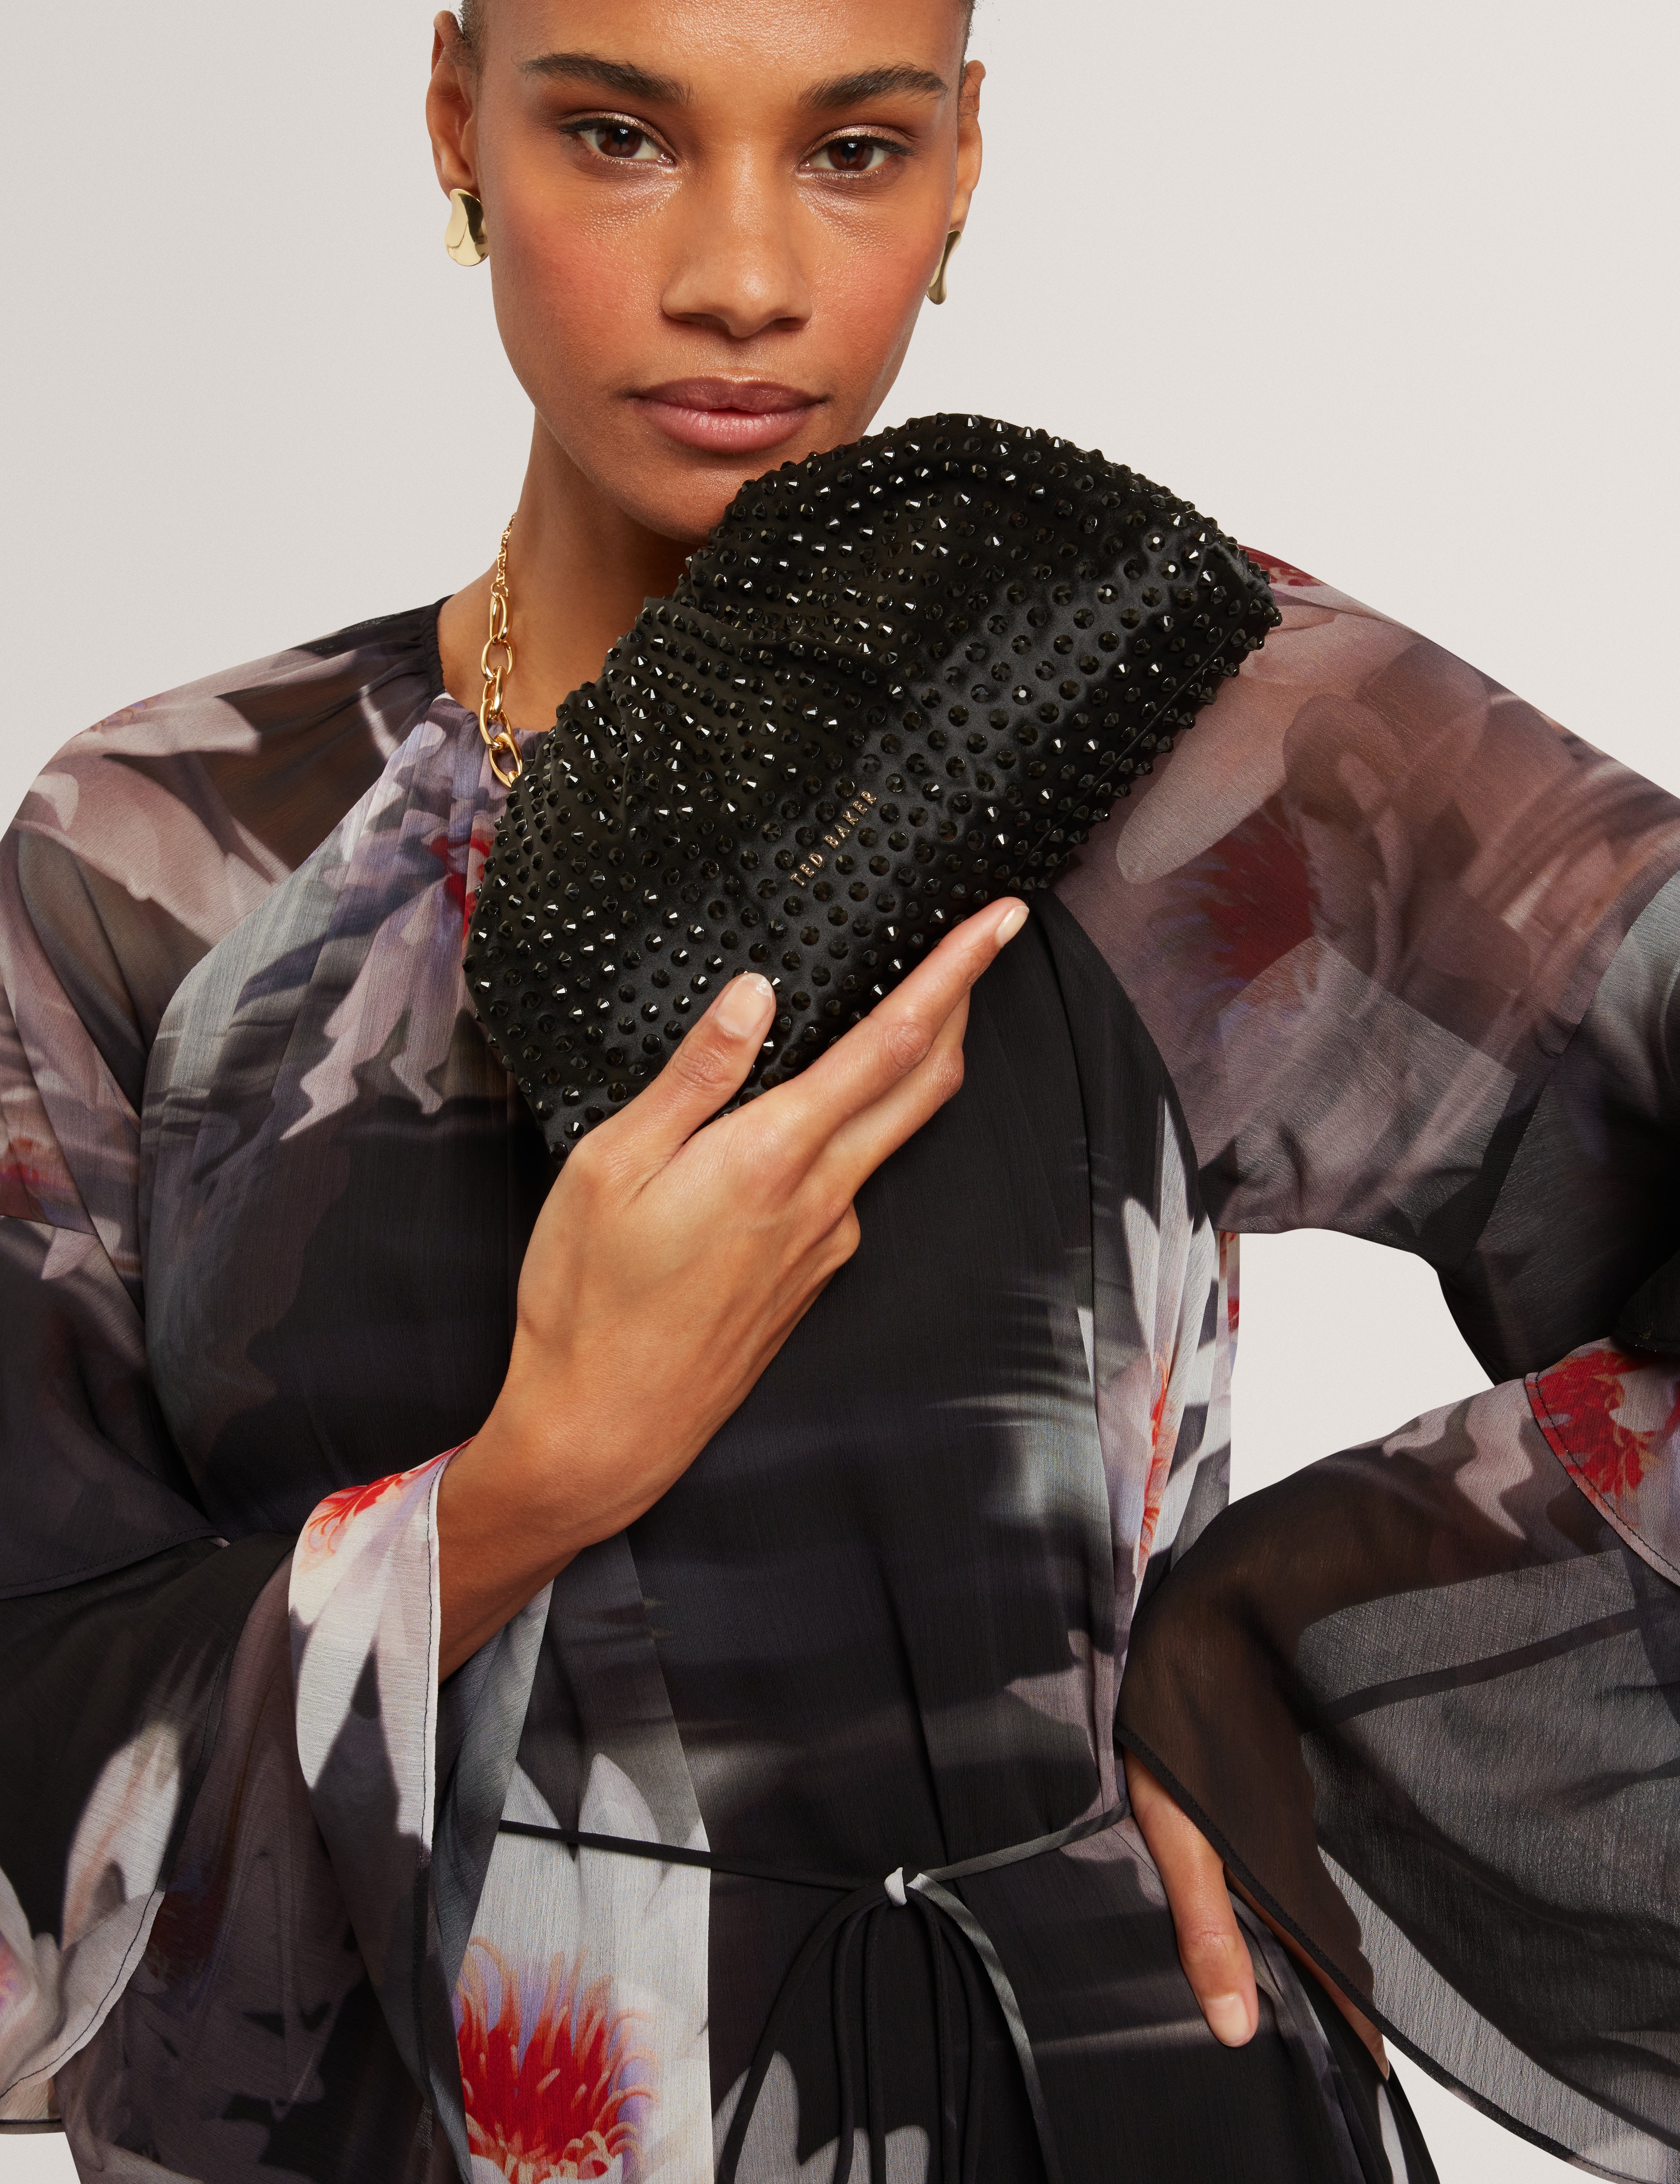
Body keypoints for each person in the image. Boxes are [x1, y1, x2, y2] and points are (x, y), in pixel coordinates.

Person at [3, 0, 1677, 2179]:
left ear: (964, 160)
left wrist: (1295, 1658)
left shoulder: (1158, 708)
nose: (744, 278)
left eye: (853, 151)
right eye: (622, 135)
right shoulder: (171, 853)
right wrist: (529, 1481)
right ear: (458, 121)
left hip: (1127, 2108)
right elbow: (30, 1690)